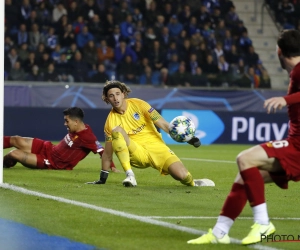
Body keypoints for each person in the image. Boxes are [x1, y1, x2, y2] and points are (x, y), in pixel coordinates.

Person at [187, 29, 300, 245]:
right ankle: (220, 233)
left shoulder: (298, 71)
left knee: (245, 159)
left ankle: (263, 223)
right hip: (295, 143)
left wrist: (287, 99)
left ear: (279, 51)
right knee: (246, 176)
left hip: (298, 145)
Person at [87, 80, 215, 187]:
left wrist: (189, 139)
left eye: (117, 94)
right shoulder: (110, 121)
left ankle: (194, 183)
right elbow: (108, 154)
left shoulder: (140, 104)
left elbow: (164, 125)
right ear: (107, 99)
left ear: (124, 94)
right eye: (111, 96)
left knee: (182, 175)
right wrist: (102, 179)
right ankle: (130, 176)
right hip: (137, 153)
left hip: (157, 148)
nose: (115, 98)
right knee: (117, 130)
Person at [3, 107, 116, 171]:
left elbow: (102, 151)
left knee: (14, 154)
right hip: (48, 148)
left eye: (67, 121)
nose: (65, 124)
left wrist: (112, 167)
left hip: (52, 163)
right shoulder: (78, 129)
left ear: (76, 122)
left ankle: (4, 164)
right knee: (16, 139)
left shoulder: (87, 137)